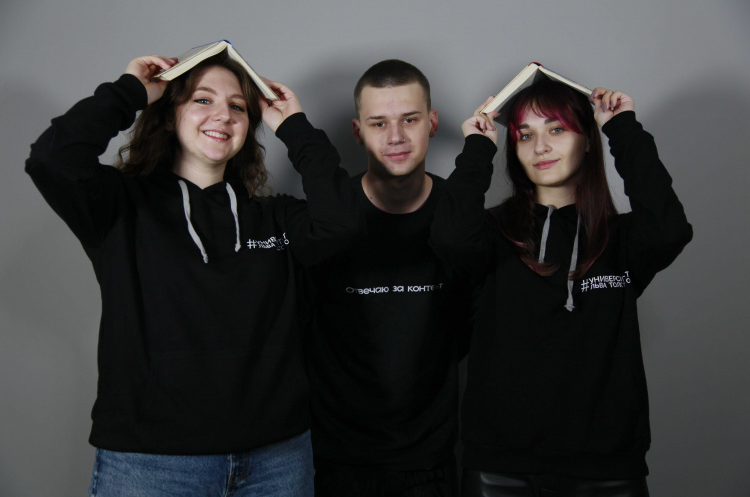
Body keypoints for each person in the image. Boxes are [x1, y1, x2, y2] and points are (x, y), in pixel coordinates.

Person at [26, 51, 360, 496]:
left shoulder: (275, 218)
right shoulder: (120, 206)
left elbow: (344, 222)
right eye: (203, 100)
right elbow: (51, 158)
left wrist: (295, 127)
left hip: (276, 461)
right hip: (152, 465)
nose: (223, 114)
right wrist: (129, 92)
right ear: (169, 116)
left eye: (238, 106)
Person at [430, 80, 693, 496]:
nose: (540, 147)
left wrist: (622, 128)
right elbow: (448, 238)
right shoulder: (491, 234)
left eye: (556, 129)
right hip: (501, 469)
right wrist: (478, 146)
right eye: (525, 135)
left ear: (587, 140)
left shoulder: (621, 239)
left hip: (608, 470)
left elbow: (670, 229)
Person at [306, 59, 470, 496]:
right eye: (378, 123)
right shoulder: (325, 221)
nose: (395, 137)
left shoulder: (460, 216)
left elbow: (473, 325)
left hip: (430, 462)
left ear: (432, 123)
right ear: (357, 131)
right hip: (333, 461)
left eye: (409, 120)